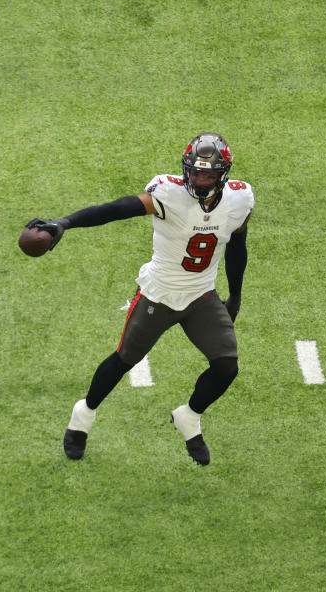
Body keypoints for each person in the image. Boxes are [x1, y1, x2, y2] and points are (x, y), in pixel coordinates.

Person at [26, 132, 253, 465]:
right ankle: (83, 416)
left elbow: (237, 246)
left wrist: (235, 295)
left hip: (202, 295)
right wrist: (66, 223)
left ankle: (189, 416)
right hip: (158, 293)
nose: (199, 179)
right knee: (124, 360)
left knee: (226, 366)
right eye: (195, 171)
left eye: (208, 174)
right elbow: (118, 208)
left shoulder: (240, 198)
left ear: (223, 174)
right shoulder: (167, 192)